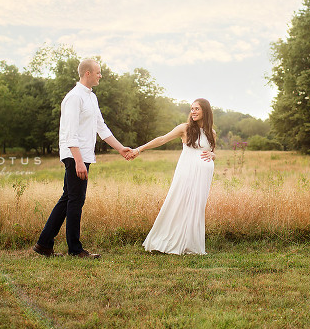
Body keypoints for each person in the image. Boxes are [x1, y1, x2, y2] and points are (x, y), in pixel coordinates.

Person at [32, 59, 131, 259]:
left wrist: (121, 149)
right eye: (98, 72)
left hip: (83, 155)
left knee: (68, 198)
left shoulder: (91, 98)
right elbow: (70, 133)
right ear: (87, 73)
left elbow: (101, 127)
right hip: (74, 155)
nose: (100, 75)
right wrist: (77, 160)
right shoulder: (74, 97)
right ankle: (75, 250)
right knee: (76, 200)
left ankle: (44, 244)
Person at [128, 98, 216, 255]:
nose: (193, 112)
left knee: (196, 206)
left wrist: (212, 154)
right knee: (180, 202)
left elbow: (212, 152)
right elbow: (162, 139)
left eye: (197, 109)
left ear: (205, 111)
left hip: (203, 177)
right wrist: (139, 149)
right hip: (187, 171)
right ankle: (170, 240)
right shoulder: (185, 128)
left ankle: (190, 243)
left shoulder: (211, 133)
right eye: (192, 109)